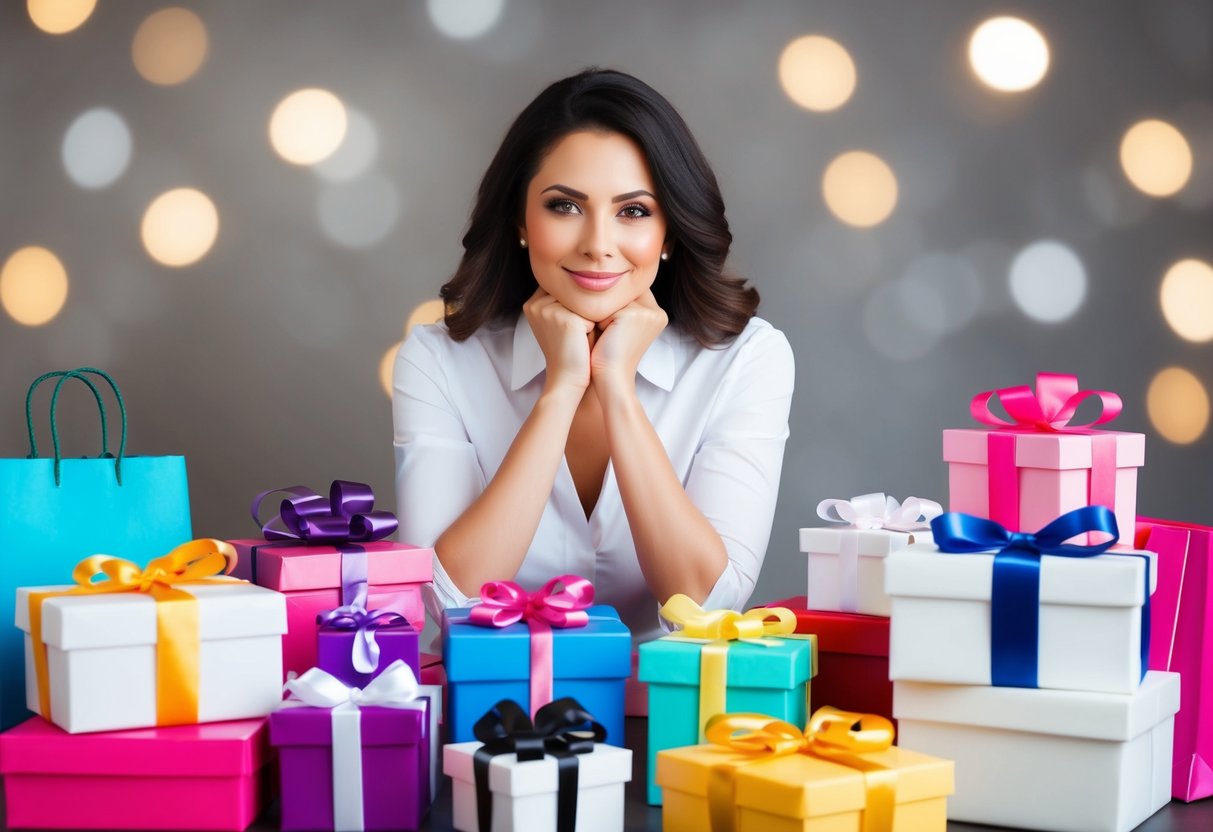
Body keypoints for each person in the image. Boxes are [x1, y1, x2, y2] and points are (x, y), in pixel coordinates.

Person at [392, 68, 794, 644]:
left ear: (671, 232)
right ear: (520, 222)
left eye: (633, 211)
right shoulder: (438, 359)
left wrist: (617, 388)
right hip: (487, 718)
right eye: (564, 206)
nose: (598, 244)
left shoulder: (748, 359)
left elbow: (708, 601)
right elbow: (446, 599)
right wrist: (559, 391)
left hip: (671, 717)